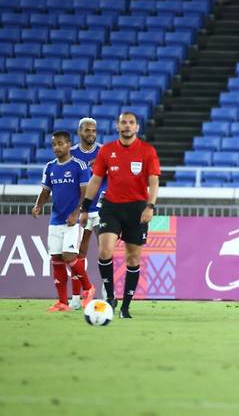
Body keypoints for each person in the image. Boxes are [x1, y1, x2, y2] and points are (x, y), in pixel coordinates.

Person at [79, 112, 161, 319]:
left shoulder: (147, 151)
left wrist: (150, 206)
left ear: (137, 127)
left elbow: (153, 181)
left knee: (132, 259)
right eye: (123, 122)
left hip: (137, 209)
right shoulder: (107, 151)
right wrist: (85, 208)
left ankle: (125, 306)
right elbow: (96, 180)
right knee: (105, 251)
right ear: (117, 126)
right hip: (111, 207)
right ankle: (111, 297)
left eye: (131, 123)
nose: (127, 126)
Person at [32, 131, 96, 312]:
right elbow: (45, 191)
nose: (56, 148)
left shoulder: (79, 165)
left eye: (60, 143)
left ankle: (88, 287)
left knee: (69, 256)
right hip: (55, 220)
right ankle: (62, 302)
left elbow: (86, 193)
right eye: (53, 145)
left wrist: (77, 212)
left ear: (69, 144)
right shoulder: (50, 167)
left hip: (73, 222)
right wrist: (38, 206)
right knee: (56, 259)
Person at [70, 117, 107, 308]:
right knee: (77, 253)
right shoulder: (71, 154)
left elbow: (113, 179)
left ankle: (107, 295)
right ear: (79, 132)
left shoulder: (105, 152)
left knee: (105, 252)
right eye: (87, 130)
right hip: (80, 211)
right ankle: (77, 297)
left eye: (93, 130)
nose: (91, 133)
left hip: (101, 210)